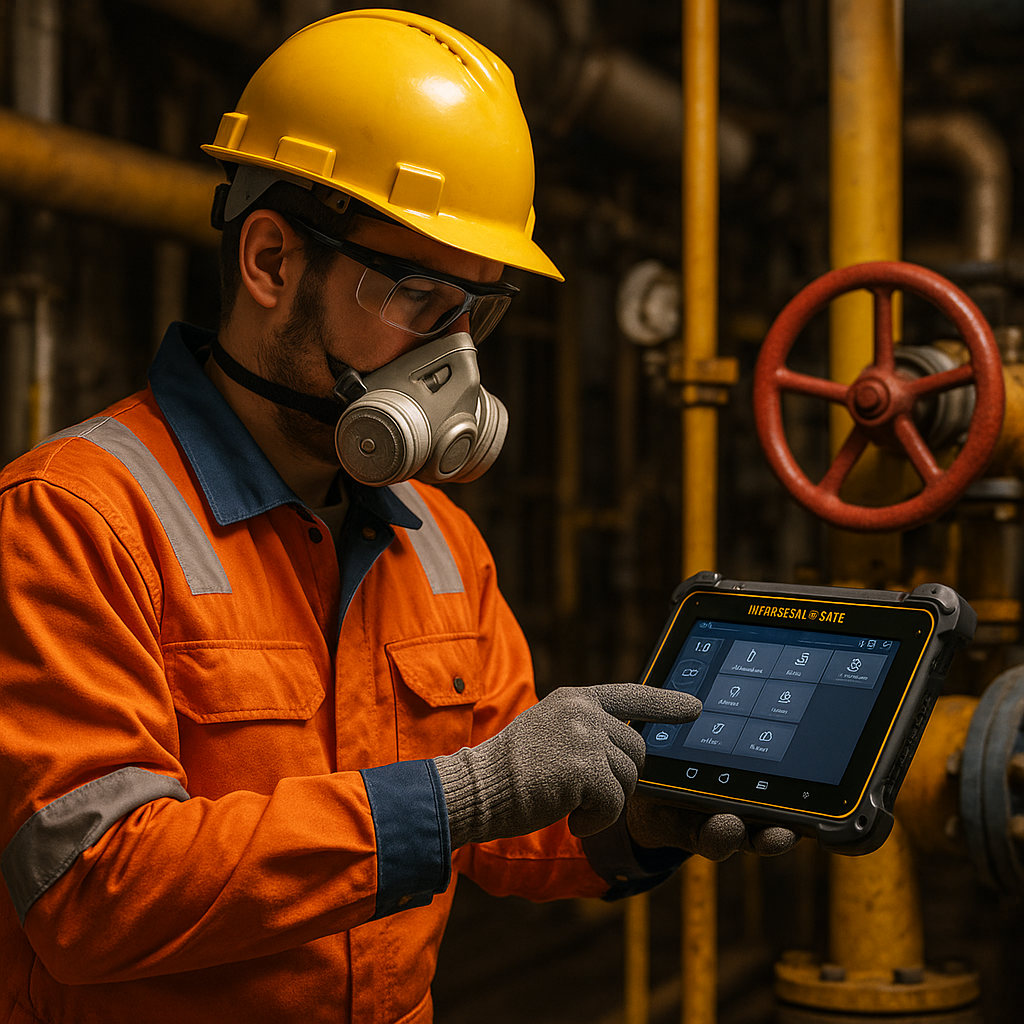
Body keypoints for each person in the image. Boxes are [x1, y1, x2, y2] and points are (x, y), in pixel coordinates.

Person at [0, 11, 793, 1023]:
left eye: (477, 312)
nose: (455, 358)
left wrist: (638, 818)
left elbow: (508, 823)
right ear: (272, 261)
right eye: (420, 296)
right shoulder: (75, 518)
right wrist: (458, 795)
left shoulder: (441, 543)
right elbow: (92, 889)